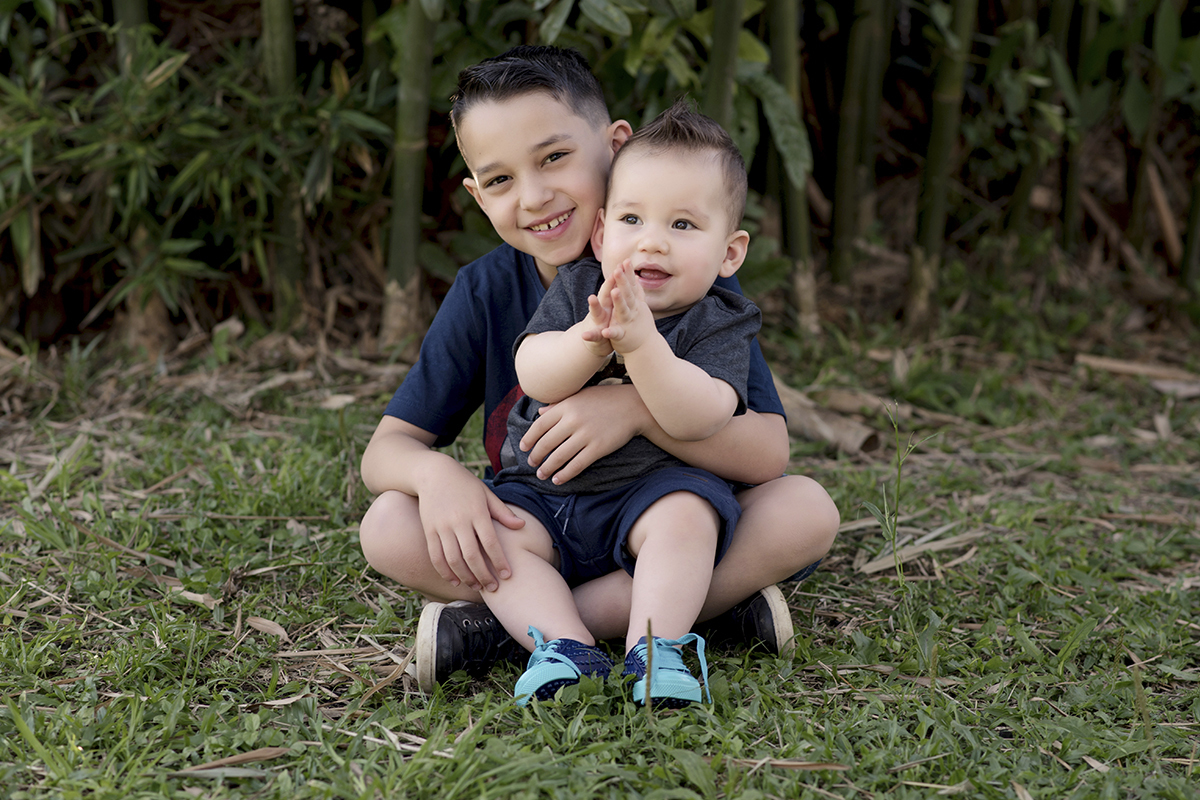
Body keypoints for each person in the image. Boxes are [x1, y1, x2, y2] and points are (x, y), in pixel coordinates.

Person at [358, 45, 839, 694]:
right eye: (500, 181)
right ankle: (708, 612)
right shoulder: (485, 291)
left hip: (658, 516)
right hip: (536, 522)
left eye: (554, 157)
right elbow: (387, 450)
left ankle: (509, 634)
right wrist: (436, 475)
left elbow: (765, 456)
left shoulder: (685, 280)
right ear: (477, 196)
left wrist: (636, 412)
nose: (534, 196)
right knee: (388, 523)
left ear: (614, 148)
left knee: (806, 510)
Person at [485, 100, 759, 705]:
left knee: (690, 516)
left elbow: (704, 414)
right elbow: (532, 369)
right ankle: (565, 648)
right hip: (540, 491)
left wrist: (642, 349)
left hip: (649, 496)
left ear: (729, 253)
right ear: (604, 231)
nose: (653, 244)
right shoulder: (582, 287)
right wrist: (587, 342)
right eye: (633, 220)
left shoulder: (719, 319)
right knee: (498, 542)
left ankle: (654, 651)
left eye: (683, 226)